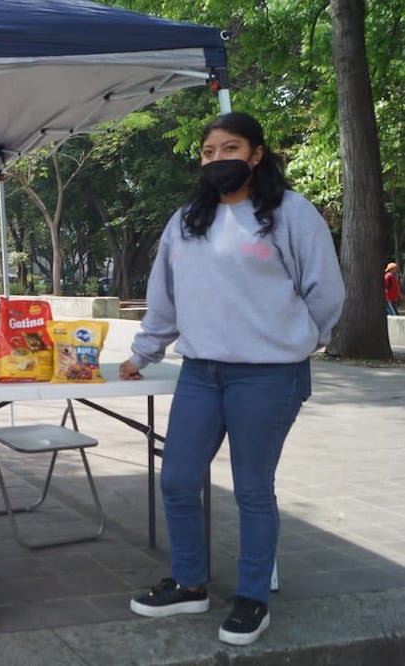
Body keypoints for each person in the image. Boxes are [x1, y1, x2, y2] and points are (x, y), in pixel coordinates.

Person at [119, 112, 345, 646]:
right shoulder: (185, 221)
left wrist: (299, 341)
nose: (217, 159)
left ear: (256, 154)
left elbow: (325, 290)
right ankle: (189, 583)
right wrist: (143, 352)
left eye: (230, 148)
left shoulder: (291, 213)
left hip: (268, 377)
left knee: (252, 489)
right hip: (201, 371)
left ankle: (252, 599)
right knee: (177, 480)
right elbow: (165, 296)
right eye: (208, 151)